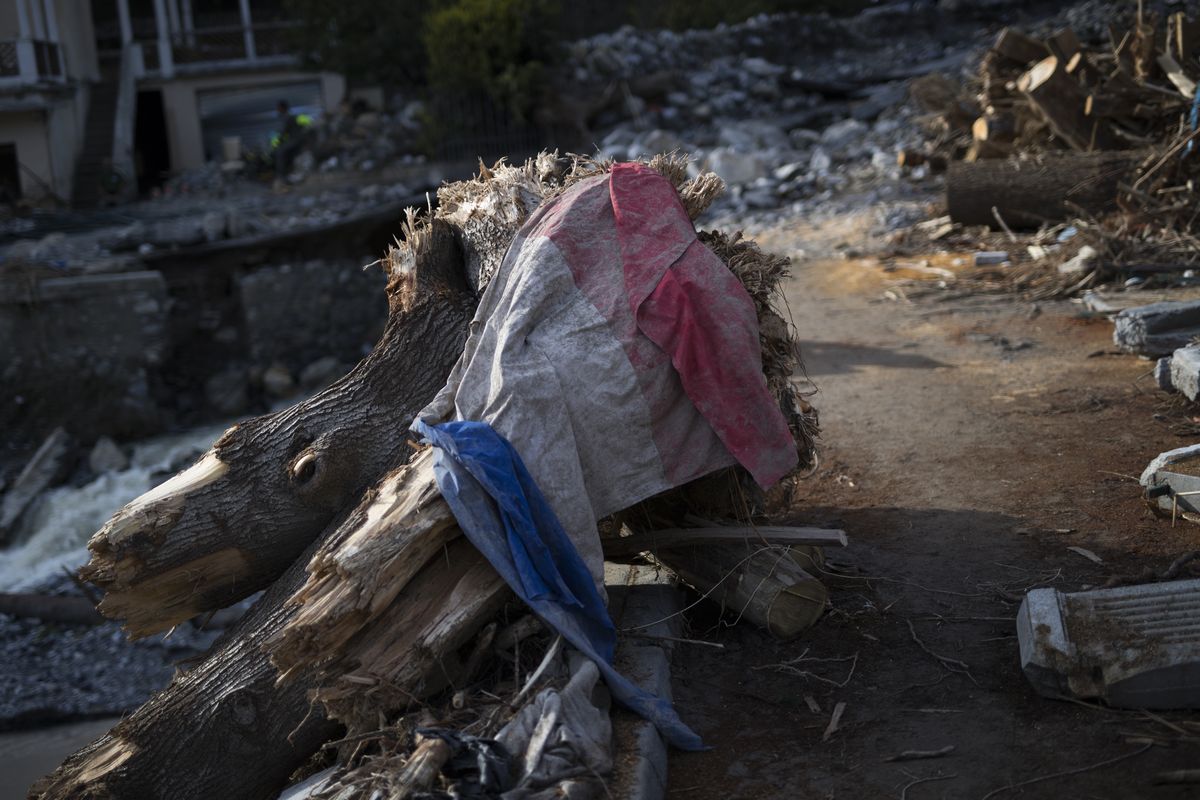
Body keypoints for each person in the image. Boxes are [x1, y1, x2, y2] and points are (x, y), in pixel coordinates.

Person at [271, 100, 311, 182]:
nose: (277, 110)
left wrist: (278, 142)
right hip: (296, 139)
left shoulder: (288, 117)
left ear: (283, 108)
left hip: (295, 140)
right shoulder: (288, 117)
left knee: (279, 152)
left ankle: (281, 176)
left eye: (279, 108)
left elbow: (284, 132)